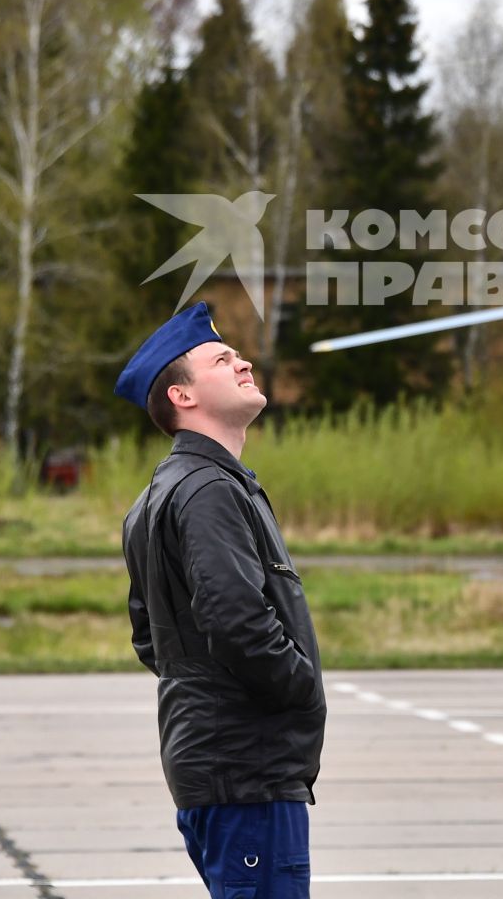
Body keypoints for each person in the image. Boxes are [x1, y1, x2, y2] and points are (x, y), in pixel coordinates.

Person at [116, 301, 325, 899]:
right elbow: (235, 620)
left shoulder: (169, 490)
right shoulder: (207, 490)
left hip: (222, 765)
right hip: (246, 772)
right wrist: (298, 686)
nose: (243, 362)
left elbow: (149, 635)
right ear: (183, 396)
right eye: (221, 358)